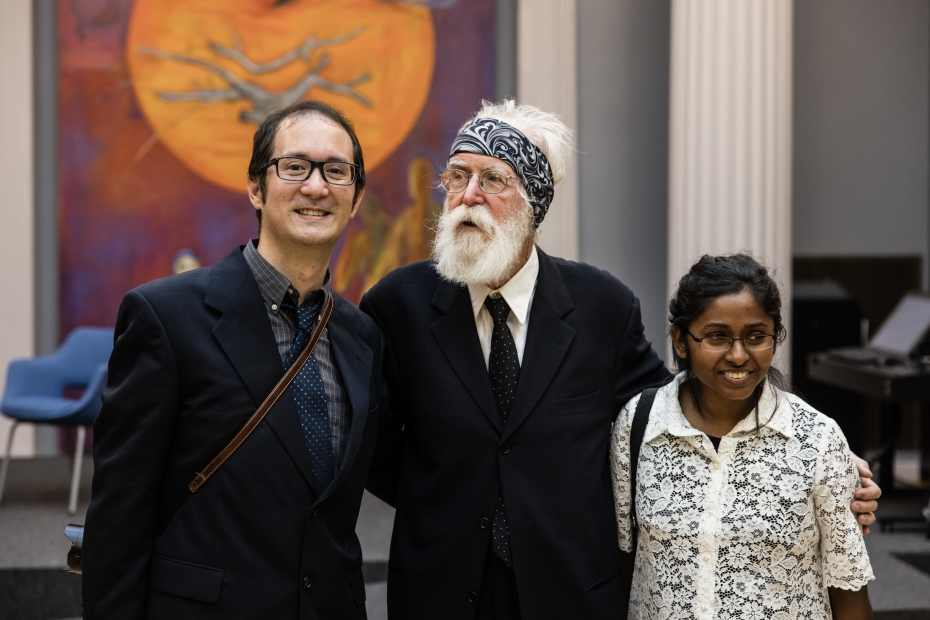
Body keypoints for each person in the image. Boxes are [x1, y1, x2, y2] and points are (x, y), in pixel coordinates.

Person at [361, 100, 880, 620]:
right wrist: (441, 502)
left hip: (569, 590)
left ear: (533, 204)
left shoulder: (602, 307)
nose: (467, 196)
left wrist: (819, 458)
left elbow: (675, 412)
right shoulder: (398, 305)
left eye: (492, 179)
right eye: (457, 176)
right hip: (439, 587)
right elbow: (372, 445)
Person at [83, 100, 383, 619]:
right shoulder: (165, 317)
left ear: (355, 198)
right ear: (255, 188)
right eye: (294, 166)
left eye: (337, 171)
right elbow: (119, 517)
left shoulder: (362, 337)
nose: (316, 186)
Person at [611, 254, 874, 620]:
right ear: (681, 340)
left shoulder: (817, 439)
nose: (738, 355)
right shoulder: (637, 426)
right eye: (717, 336)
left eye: (756, 336)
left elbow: (848, 591)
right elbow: (627, 563)